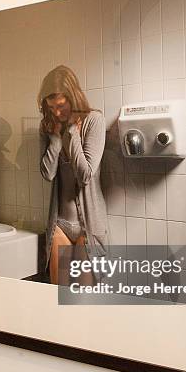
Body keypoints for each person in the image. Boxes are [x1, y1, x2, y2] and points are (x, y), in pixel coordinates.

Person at [39, 65, 109, 285]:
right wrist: (56, 140)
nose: (57, 113)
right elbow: (48, 173)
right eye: (51, 107)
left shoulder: (94, 120)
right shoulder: (49, 125)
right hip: (60, 223)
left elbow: (85, 175)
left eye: (61, 106)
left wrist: (72, 133)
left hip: (88, 225)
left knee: (82, 301)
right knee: (58, 295)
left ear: (73, 97)